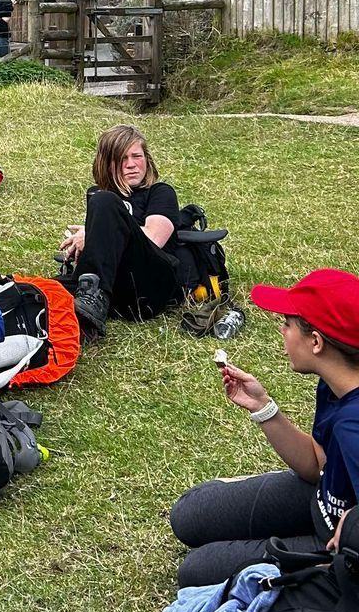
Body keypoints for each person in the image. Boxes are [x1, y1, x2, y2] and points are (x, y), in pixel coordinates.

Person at [169, 270, 359, 586]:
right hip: (319, 498)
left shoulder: (353, 424)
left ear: (315, 342)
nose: (281, 330)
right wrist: (262, 407)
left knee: (197, 571)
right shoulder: (333, 386)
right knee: (189, 514)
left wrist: (348, 532)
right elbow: (316, 465)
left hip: (337, 550)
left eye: (287, 323)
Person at [58, 123, 183, 339]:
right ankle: (87, 304)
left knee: (104, 200)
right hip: (114, 289)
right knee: (40, 288)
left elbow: (155, 238)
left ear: (147, 159)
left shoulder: (160, 193)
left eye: (137, 156)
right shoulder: (98, 196)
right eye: (122, 159)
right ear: (107, 163)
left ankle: (92, 300)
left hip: (150, 288)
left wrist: (93, 234)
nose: (131, 165)